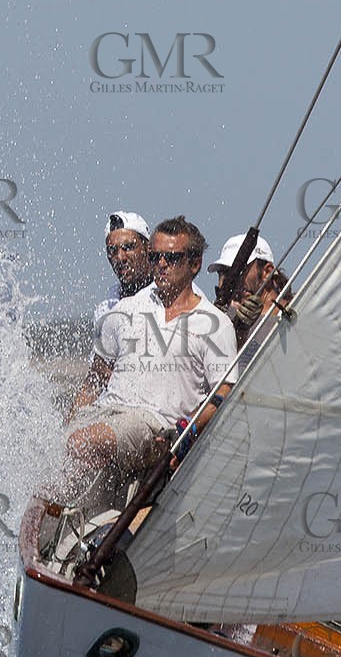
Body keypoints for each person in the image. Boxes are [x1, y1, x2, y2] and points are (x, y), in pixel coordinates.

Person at [61, 216, 237, 511]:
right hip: (108, 416)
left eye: (172, 257)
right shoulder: (125, 309)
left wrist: (188, 431)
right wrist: (73, 416)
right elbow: (96, 376)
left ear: (194, 264)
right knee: (59, 454)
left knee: (83, 440)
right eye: (155, 257)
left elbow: (224, 392)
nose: (161, 265)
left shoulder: (214, 324)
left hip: (155, 426)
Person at [208, 232, 279, 343]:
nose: (228, 280)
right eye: (223, 272)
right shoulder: (218, 316)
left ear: (267, 272)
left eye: (239, 270)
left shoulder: (293, 316)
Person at [94, 211, 153, 325]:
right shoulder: (104, 310)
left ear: (148, 248)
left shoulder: (167, 300)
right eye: (112, 250)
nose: (120, 258)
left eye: (128, 247)